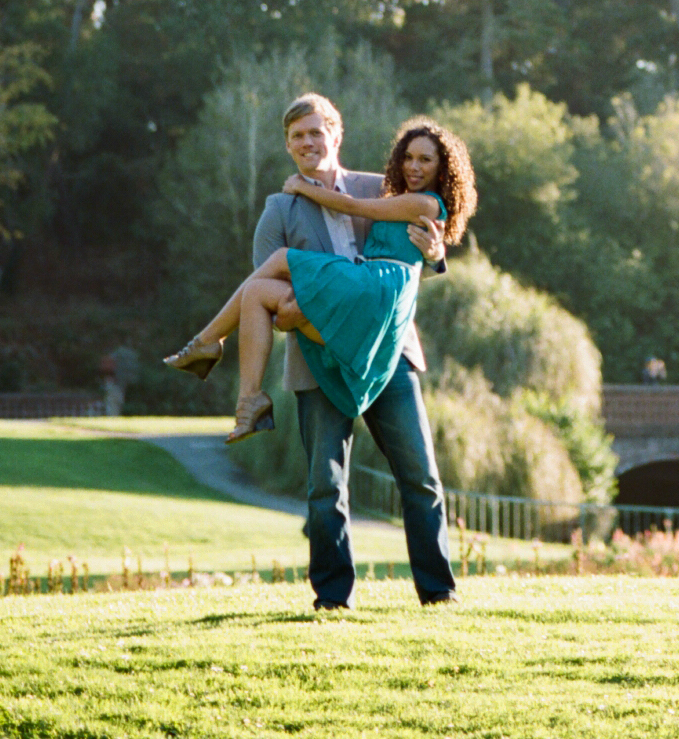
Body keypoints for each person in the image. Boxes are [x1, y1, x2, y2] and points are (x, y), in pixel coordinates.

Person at [164, 98, 462, 610]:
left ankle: (438, 592)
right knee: (325, 487)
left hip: (391, 355)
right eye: (298, 136)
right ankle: (332, 598)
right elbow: (271, 303)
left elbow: (415, 245)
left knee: (421, 476)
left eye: (316, 133)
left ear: (336, 135)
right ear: (288, 145)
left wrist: (438, 257)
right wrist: (308, 313)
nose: (308, 143)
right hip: (318, 360)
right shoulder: (278, 210)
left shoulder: (379, 187)